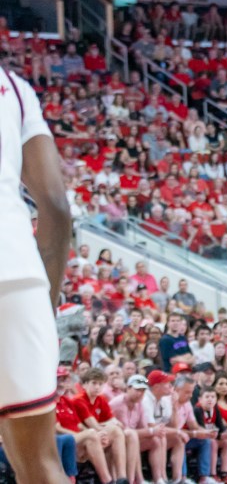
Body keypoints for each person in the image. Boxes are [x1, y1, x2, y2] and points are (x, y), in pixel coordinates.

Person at [0, 65, 72, 483]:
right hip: (17, 273)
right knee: (39, 464)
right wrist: (42, 307)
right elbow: (57, 207)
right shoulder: (14, 87)